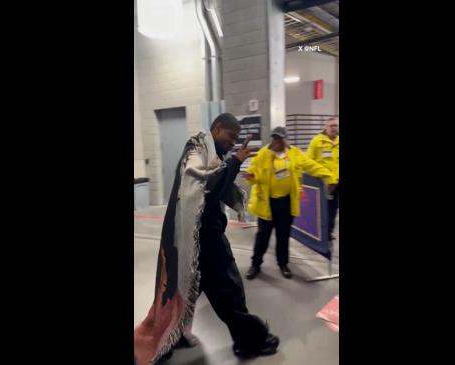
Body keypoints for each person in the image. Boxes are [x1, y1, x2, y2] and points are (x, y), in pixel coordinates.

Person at [134, 113, 279, 365]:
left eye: (235, 139)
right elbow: (206, 190)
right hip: (201, 240)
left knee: (185, 291)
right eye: (230, 137)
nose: (233, 143)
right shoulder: (196, 151)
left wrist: (231, 164)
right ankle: (247, 342)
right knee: (229, 291)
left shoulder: (210, 154)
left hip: (200, 237)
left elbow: (215, 183)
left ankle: (170, 334)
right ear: (217, 128)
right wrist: (234, 163)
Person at [243, 126, 337, 280]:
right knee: (262, 236)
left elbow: (313, 166)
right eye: (274, 138)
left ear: (286, 139)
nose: (277, 141)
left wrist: (329, 177)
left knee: (283, 236)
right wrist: (251, 176)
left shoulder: (295, 154)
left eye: (280, 138)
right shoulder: (263, 154)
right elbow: (254, 174)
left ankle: (283, 264)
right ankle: (255, 265)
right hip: (267, 203)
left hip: (286, 203)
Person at [307, 117, 339, 242]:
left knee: (333, 209)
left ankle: (329, 232)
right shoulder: (317, 141)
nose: (334, 128)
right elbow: (308, 162)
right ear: (325, 127)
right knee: (321, 210)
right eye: (332, 126)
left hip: (336, 183)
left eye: (336, 125)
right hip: (322, 184)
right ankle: (319, 233)